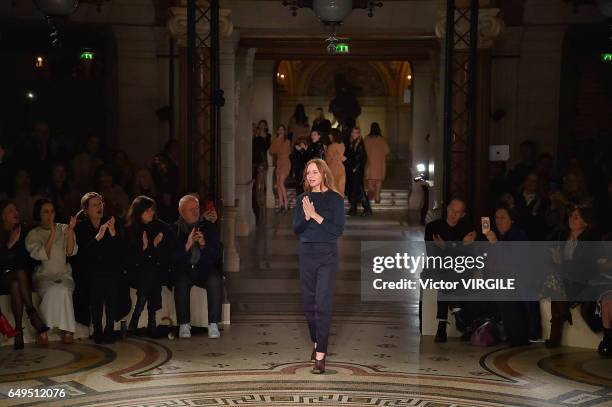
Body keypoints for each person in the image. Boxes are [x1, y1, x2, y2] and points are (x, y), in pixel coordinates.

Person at [293, 159, 345, 374]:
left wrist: (315, 216)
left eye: (315, 172)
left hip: (327, 255)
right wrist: (306, 217)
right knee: (309, 306)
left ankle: (320, 356)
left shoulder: (335, 199)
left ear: (324, 174)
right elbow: (297, 229)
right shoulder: (301, 199)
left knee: (322, 304)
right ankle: (316, 343)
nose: (311, 176)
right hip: (306, 254)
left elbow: (337, 231)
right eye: (308, 173)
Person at [483, 206, 540, 346]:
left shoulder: (519, 236)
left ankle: (518, 334)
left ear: (511, 220)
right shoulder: (495, 236)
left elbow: (515, 262)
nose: (498, 220)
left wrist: (495, 243)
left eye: (502, 217)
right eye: (496, 217)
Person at [25, 199, 78, 344]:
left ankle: (68, 329)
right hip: (44, 275)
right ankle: (43, 329)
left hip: (63, 273)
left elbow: (71, 251)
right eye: (46, 212)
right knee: (53, 289)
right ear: (39, 214)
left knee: (63, 289)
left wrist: (71, 230)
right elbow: (43, 254)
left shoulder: (64, 228)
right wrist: (53, 233)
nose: (50, 215)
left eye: (52, 211)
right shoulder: (34, 234)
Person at [73, 192, 124, 344]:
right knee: (96, 291)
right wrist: (97, 237)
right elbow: (82, 254)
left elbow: (119, 250)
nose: (99, 207)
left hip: (109, 269)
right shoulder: (81, 227)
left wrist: (113, 233)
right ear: (86, 210)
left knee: (110, 290)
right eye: (94, 205)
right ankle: (97, 330)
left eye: (100, 204)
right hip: (90, 270)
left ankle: (109, 329)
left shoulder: (111, 222)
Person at [171, 195, 223, 339]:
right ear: (181, 211)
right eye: (191, 209)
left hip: (204, 269)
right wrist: (187, 245)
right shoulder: (174, 229)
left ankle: (213, 324)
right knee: (181, 281)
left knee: (214, 280)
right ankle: (184, 324)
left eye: (197, 208)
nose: (195, 212)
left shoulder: (208, 226)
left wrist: (203, 244)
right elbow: (172, 258)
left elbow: (217, 253)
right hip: (185, 270)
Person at [423, 198, 477, 342]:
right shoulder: (432, 227)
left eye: (457, 212)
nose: (453, 214)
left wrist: (446, 246)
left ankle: (442, 326)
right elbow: (432, 253)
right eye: (452, 210)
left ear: (463, 215)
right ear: (447, 208)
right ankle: (459, 315)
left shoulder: (467, 229)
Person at [546, 206, 599, 348]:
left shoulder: (590, 241)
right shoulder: (562, 237)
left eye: (576, 217)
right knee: (553, 278)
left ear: (585, 222)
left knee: (554, 282)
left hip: (580, 283)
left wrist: (561, 262)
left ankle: (559, 323)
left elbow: (585, 268)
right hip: (563, 281)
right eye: (571, 216)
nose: (571, 219)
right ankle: (562, 315)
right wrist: (557, 261)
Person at [0, 200, 49, 349]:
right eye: (11, 211)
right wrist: (9, 245)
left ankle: (18, 332)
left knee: (17, 282)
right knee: (17, 276)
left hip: (18, 278)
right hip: (2, 277)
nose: (16, 213)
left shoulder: (23, 231)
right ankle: (32, 314)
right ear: (3, 216)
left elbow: (24, 261)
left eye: (16, 210)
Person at [125, 196, 171, 338]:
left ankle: (135, 322)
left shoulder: (160, 227)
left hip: (154, 271)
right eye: (147, 210)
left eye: (152, 210)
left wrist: (155, 246)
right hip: (135, 272)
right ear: (139, 212)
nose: (151, 213)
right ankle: (150, 324)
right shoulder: (131, 229)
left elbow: (164, 255)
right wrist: (144, 247)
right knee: (148, 275)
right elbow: (130, 259)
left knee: (151, 274)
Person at [345, 127, 371, 216]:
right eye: (353, 132)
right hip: (354, 170)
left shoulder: (360, 144)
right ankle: (354, 209)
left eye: (356, 132)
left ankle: (366, 209)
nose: (354, 134)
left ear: (359, 134)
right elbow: (352, 156)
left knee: (358, 189)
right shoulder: (353, 143)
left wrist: (356, 168)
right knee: (356, 190)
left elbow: (363, 158)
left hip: (357, 171)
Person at [363, 122, 390, 204]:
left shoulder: (366, 139)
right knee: (378, 182)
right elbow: (387, 151)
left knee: (370, 181)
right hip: (380, 165)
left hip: (369, 164)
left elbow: (363, 152)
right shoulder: (382, 140)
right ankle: (377, 197)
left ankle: (371, 192)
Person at [270, 125, 292, 213]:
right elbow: (271, 151)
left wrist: (277, 142)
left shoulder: (287, 141)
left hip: (286, 162)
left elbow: (280, 150)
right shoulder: (276, 140)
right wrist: (277, 140)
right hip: (279, 163)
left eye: (282, 129)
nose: (280, 131)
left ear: (285, 131)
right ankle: (281, 204)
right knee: (278, 184)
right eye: (279, 129)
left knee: (281, 182)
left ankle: (286, 204)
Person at [325, 129, 346, 196]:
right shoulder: (343, 146)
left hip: (332, 169)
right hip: (341, 169)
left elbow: (328, 160)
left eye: (330, 134)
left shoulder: (331, 147)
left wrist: (325, 151)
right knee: (340, 189)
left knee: (332, 189)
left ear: (334, 136)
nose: (329, 136)